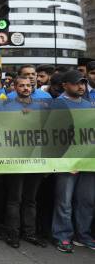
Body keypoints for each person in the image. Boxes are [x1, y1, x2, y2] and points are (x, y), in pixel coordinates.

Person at [50, 70, 94, 252]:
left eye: (83, 83)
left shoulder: (89, 104)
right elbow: (50, 134)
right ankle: (62, 235)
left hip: (88, 160)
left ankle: (82, 235)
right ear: (65, 85)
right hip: (67, 161)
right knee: (64, 201)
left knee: (87, 200)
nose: (81, 86)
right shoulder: (56, 104)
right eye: (76, 83)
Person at [1, 76, 47, 249]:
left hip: (36, 159)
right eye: (22, 85)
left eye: (29, 85)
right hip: (15, 158)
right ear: (15, 87)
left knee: (31, 199)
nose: (26, 88)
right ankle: (13, 234)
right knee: (14, 198)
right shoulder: (6, 106)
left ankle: (29, 233)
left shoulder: (42, 106)